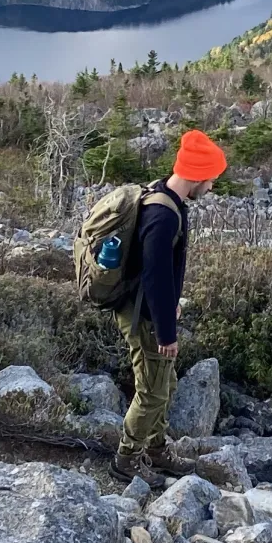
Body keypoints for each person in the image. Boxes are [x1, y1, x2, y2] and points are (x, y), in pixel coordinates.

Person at [112, 130, 228, 484]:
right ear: (195, 174)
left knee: (166, 383)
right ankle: (126, 459)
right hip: (143, 315)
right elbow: (155, 277)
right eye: (210, 179)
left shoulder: (167, 197)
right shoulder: (163, 216)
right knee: (151, 390)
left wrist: (170, 305)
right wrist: (166, 331)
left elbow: (161, 275)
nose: (211, 187)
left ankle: (157, 449)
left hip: (150, 309)